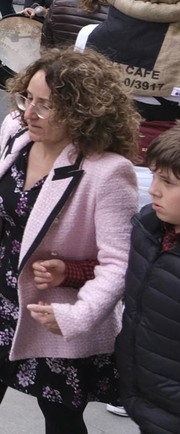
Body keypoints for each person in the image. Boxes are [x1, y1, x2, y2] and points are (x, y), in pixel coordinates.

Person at [0, 49, 138, 434]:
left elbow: (120, 264)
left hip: (54, 316)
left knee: (62, 419)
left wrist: (77, 316)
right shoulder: (17, 134)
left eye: (46, 106)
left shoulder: (108, 172)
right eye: (27, 98)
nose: (29, 113)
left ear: (83, 111)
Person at [116, 127, 180, 432]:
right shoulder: (150, 228)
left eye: (167, 182)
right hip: (146, 397)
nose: (153, 189)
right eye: (153, 176)